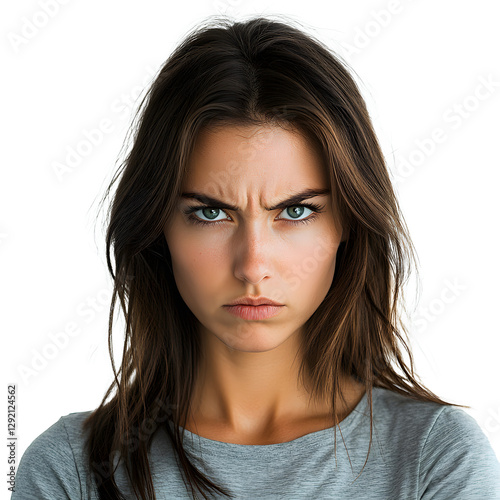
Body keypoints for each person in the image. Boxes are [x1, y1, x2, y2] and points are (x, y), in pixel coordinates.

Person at [12, 14, 500, 500]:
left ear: (348, 221)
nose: (252, 265)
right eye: (209, 213)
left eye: (295, 210)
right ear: (159, 226)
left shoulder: (435, 458)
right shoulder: (70, 472)